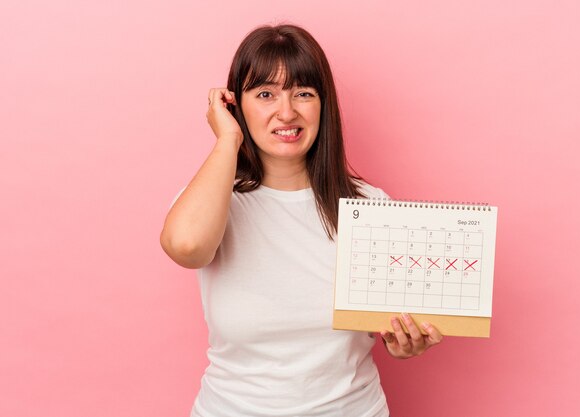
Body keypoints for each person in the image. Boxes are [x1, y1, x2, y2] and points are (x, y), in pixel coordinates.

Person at [160, 24, 443, 417]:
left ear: (322, 105)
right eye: (265, 95)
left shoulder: (369, 207)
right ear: (234, 106)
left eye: (304, 94)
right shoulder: (215, 199)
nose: (287, 112)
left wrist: (402, 342)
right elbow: (187, 247)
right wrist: (228, 139)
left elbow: (389, 323)